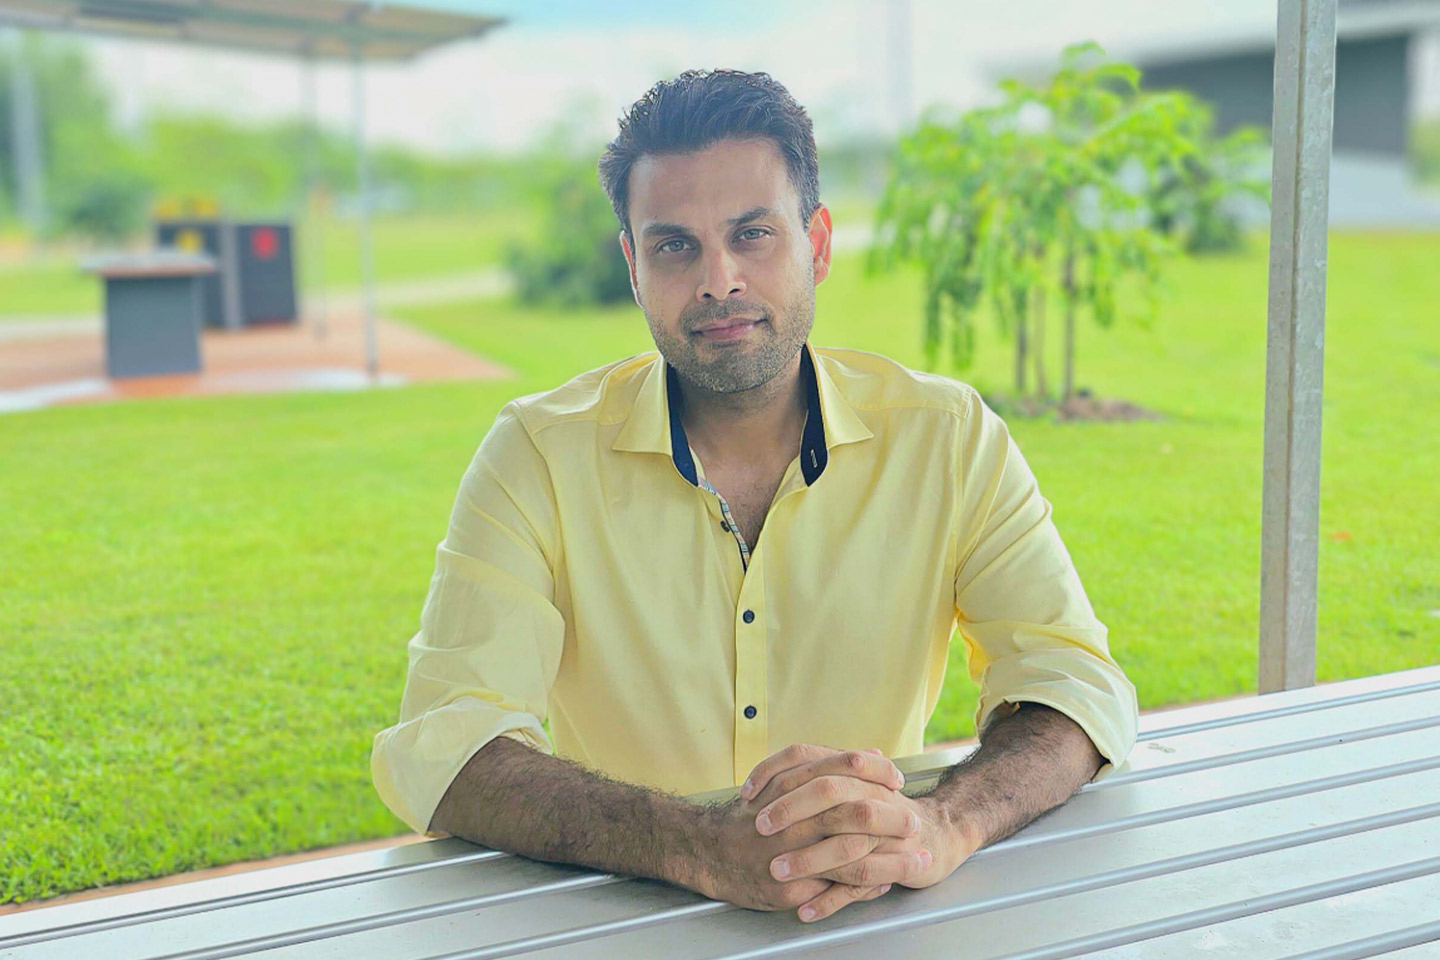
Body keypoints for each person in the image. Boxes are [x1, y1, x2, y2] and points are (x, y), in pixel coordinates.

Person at [371, 68, 1138, 925]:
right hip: (628, 918)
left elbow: (1073, 683)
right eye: (674, 245)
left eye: (751, 234)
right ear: (632, 263)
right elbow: (446, 745)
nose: (719, 280)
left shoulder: (947, 436)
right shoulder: (538, 455)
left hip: (880, 919)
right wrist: (693, 843)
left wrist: (941, 823)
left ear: (816, 242)